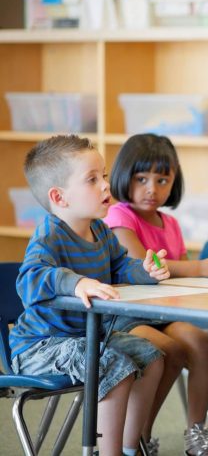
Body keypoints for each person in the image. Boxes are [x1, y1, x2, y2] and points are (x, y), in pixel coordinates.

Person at [9, 135, 168, 455]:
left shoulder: (100, 232)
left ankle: (130, 447)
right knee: (112, 365)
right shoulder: (50, 234)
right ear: (60, 197)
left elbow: (121, 265)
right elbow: (30, 278)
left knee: (152, 358)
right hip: (39, 346)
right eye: (92, 180)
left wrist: (145, 272)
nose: (106, 186)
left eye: (104, 175)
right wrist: (75, 282)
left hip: (86, 338)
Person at [105, 134, 208, 455]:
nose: (152, 188)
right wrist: (201, 268)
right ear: (124, 176)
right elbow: (144, 266)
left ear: (174, 181)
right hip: (125, 316)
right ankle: (139, 438)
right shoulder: (120, 215)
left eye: (162, 179)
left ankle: (196, 432)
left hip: (162, 313)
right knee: (166, 351)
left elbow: (177, 276)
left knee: (200, 343)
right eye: (141, 178)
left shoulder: (171, 223)